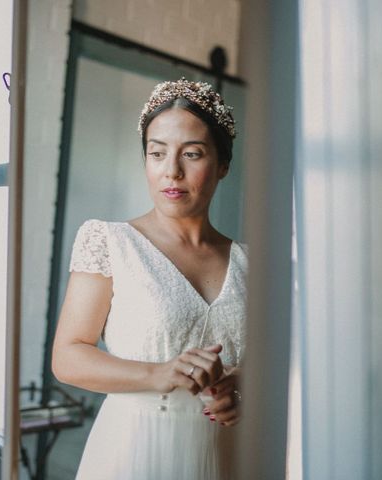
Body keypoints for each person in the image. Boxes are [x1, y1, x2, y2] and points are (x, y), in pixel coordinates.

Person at [51, 78, 248, 480]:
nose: (171, 171)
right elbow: (67, 356)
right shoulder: (109, 241)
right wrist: (157, 373)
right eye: (157, 153)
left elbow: (273, 361)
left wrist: (242, 390)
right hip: (135, 449)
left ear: (223, 165)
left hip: (227, 454)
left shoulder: (250, 262)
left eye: (191, 154)